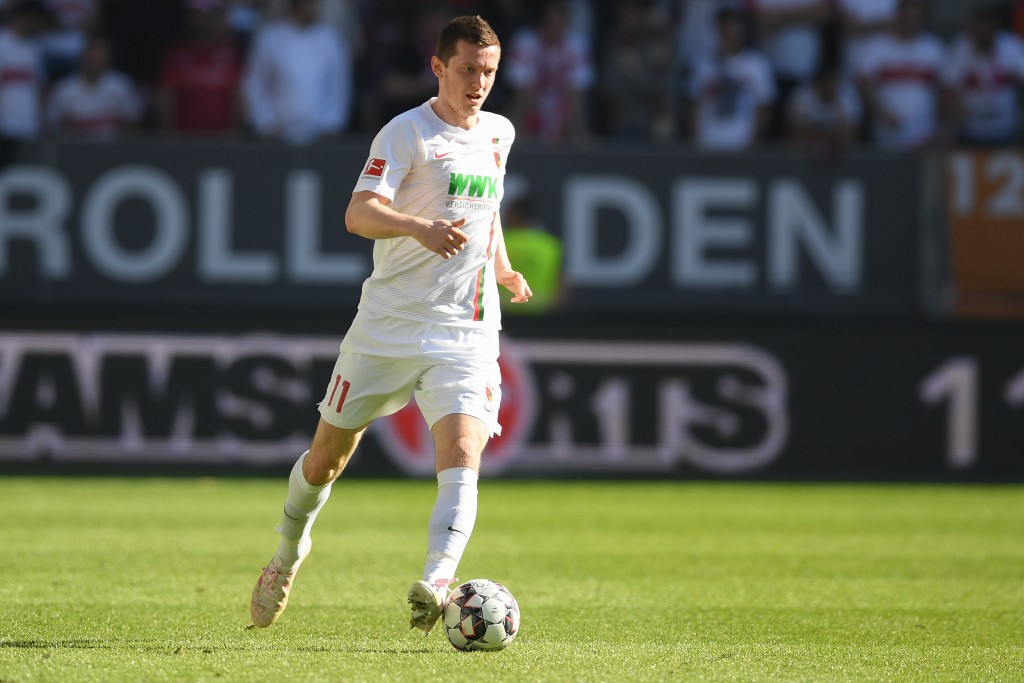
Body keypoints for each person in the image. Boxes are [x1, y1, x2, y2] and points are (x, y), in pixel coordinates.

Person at [249, 15, 532, 633]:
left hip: (467, 329)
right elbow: (357, 213)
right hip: (388, 325)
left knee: (463, 452)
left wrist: (503, 269)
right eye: (466, 70)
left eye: (488, 71)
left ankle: (437, 579)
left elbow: (488, 213)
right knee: (327, 458)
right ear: (438, 67)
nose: (478, 82)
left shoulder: (500, 134)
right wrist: (418, 227)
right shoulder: (406, 133)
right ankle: (288, 552)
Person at [241, 0, 352, 144]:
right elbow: (256, 84)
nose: (313, 9)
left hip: (320, 134)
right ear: (295, 6)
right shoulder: (270, 38)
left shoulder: (331, 39)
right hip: (278, 133)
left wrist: (332, 124)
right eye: (309, 4)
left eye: (316, 4)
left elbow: (339, 86)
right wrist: (265, 122)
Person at [854, 0, 945, 150]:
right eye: (905, 15)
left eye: (914, 16)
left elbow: (943, 90)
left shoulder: (934, 49)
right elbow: (862, 83)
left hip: (924, 136)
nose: (909, 20)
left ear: (921, 18)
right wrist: (880, 112)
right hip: (886, 135)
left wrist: (942, 126)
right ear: (897, 15)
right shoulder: (876, 47)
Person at [687, 7, 776, 150]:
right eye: (725, 28)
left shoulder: (757, 65)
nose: (729, 34)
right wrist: (694, 140)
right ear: (717, 30)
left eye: (734, 28)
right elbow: (694, 104)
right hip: (706, 144)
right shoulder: (703, 64)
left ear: (742, 30)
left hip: (741, 145)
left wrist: (753, 143)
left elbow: (764, 107)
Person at [157, 0, 243, 135]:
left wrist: (235, 131)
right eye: (194, 15)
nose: (199, 20)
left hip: (221, 139)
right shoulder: (177, 53)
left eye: (205, 16)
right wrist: (168, 133)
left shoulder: (229, 52)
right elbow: (166, 96)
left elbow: (237, 95)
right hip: (184, 138)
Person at [943, 7, 1024, 147]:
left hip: (1004, 130)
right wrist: (956, 107)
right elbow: (949, 85)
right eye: (979, 32)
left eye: (987, 31)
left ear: (995, 30)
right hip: (970, 130)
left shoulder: (1011, 47)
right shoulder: (960, 47)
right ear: (972, 31)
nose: (983, 36)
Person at [46, 33, 140, 139]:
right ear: (82, 55)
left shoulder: (121, 84)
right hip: (75, 152)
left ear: (108, 56)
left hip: (112, 152)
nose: (94, 56)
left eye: (99, 51)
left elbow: (132, 122)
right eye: (90, 51)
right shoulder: (64, 88)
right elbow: (52, 126)